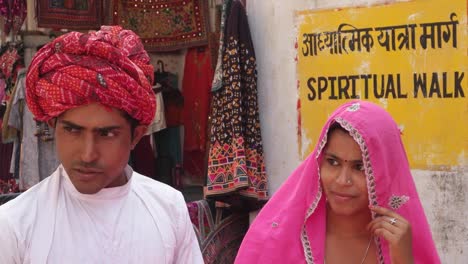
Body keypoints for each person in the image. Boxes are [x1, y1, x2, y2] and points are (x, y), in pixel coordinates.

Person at [0, 26, 203, 263]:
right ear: (54, 126)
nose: (87, 154)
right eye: (72, 130)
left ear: (136, 136)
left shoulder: (169, 208)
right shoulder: (15, 223)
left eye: (106, 134)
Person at [235, 100, 440, 263]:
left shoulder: (401, 242)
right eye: (332, 162)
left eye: (359, 167)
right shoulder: (277, 239)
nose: (342, 180)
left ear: (384, 172)